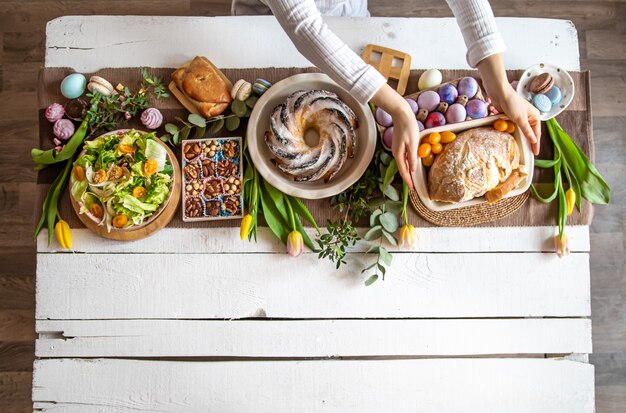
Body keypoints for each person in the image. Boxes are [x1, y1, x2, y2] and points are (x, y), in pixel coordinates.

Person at [233, 0, 541, 189]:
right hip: (265, 25)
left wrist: (499, 86)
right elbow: (304, 26)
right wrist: (398, 107)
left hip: (348, 12)